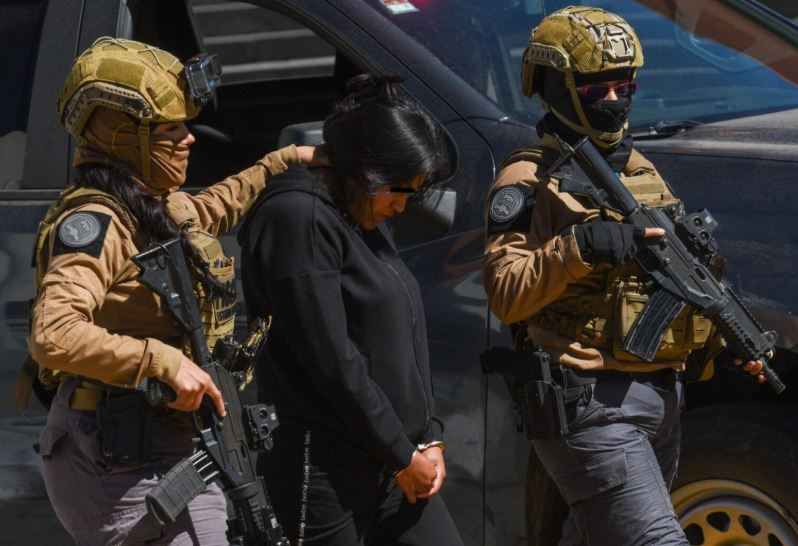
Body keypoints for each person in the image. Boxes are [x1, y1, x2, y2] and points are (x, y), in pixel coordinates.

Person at [22, 37, 323, 545]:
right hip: (117, 459)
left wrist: (283, 163)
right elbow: (54, 334)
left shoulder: (151, 204)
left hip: (166, 444)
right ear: (124, 137)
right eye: (170, 129)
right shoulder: (97, 222)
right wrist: (161, 361)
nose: (189, 139)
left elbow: (211, 208)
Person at [482, 7, 767, 545]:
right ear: (556, 88)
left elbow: (671, 280)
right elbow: (505, 292)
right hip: (592, 402)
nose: (614, 100)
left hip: (662, 401)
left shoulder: (638, 170)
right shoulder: (528, 178)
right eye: (597, 90)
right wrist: (581, 245)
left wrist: (721, 343)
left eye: (625, 87)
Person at [238, 74, 464, 545]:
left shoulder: (357, 210)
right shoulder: (298, 218)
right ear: (365, 172)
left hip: (392, 457)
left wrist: (427, 438)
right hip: (324, 472)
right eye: (400, 190)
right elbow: (332, 362)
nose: (402, 207)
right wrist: (401, 454)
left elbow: (399, 335)